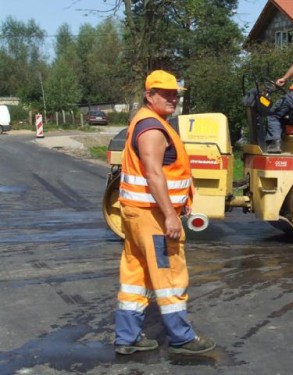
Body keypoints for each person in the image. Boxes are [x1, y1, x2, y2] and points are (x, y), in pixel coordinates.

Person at [114, 70, 216, 355]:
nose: (172, 98)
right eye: (165, 93)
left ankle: (128, 337)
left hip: (138, 214)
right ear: (149, 95)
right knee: (169, 275)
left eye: (175, 94)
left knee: (136, 276)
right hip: (152, 216)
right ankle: (182, 337)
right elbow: (154, 173)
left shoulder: (148, 122)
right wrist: (171, 215)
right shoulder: (152, 128)